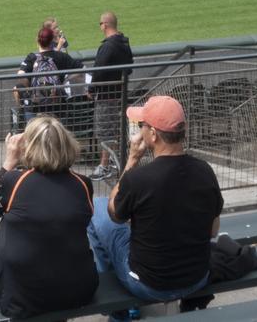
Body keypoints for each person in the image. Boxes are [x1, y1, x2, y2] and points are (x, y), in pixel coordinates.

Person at [87, 96, 223, 316]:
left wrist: (131, 161)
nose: (140, 130)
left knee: (98, 208)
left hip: (148, 284)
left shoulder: (138, 178)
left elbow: (115, 215)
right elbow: (213, 230)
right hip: (196, 279)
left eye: (142, 126)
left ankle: (118, 310)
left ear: (153, 134)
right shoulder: (204, 170)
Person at [0, 116, 98, 319]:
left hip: (22, 298)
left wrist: (8, 163)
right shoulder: (83, 184)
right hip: (79, 290)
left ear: (29, 148)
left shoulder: (14, 180)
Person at [90, 12, 134, 180]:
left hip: (106, 96)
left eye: (100, 24)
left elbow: (98, 71)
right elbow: (129, 67)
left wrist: (92, 89)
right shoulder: (124, 42)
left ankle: (105, 165)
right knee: (114, 130)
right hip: (119, 93)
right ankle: (116, 162)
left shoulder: (108, 46)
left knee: (105, 132)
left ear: (105, 25)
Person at [14, 26, 81, 126]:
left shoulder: (32, 57)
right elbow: (81, 69)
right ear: (52, 40)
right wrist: (65, 80)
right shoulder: (61, 56)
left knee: (18, 91)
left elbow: (21, 76)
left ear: (37, 40)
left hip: (36, 107)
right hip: (58, 106)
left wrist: (29, 87)